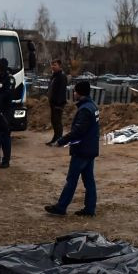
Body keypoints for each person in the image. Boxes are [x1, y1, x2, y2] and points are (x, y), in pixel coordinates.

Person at [45, 79, 99, 217]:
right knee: (89, 181)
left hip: (82, 150)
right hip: (90, 149)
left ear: (79, 93)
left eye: (75, 91)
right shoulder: (92, 106)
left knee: (72, 180)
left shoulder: (85, 109)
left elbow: (78, 131)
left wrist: (61, 141)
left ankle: (61, 207)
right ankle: (90, 208)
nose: (73, 93)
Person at [0, 57, 15, 167]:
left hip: (6, 109)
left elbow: (7, 94)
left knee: (5, 135)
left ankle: (6, 160)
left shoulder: (9, 79)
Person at [46, 58, 68, 144]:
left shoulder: (62, 76)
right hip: (53, 102)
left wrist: (59, 104)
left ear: (59, 65)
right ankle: (55, 139)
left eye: (55, 65)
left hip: (58, 103)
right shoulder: (54, 75)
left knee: (57, 122)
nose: (53, 66)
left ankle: (59, 140)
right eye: (52, 65)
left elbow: (62, 91)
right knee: (54, 121)